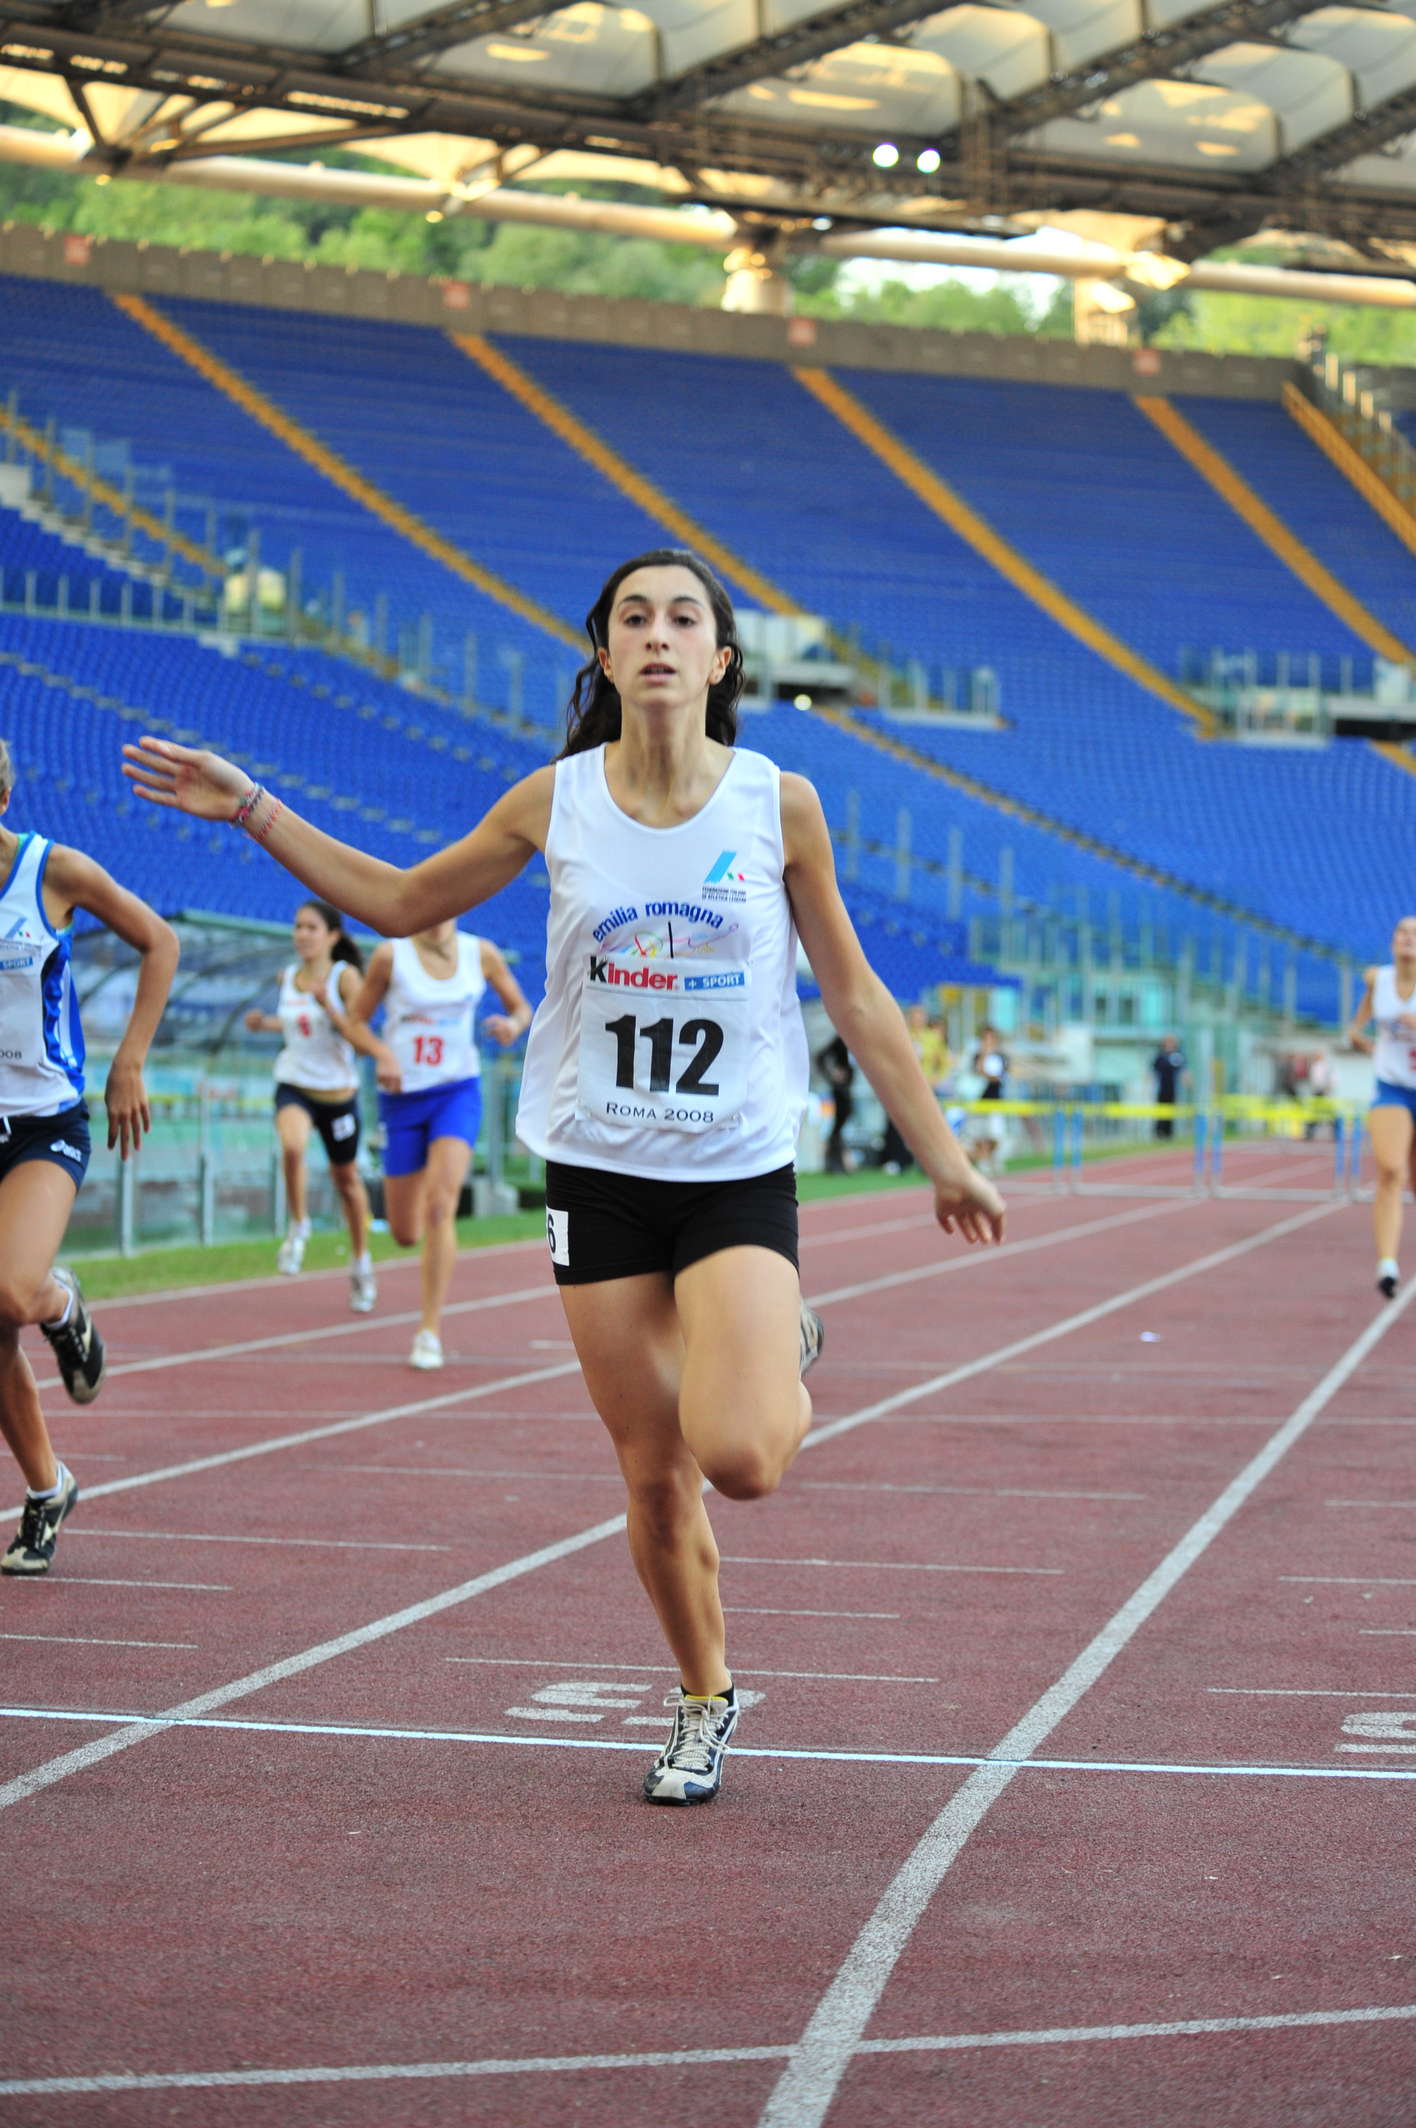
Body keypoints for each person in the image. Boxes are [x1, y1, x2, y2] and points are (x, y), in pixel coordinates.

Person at [122, 546, 1005, 1807]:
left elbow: (856, 995)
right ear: (605, 652)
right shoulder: (557, 801)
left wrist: (945, 1157)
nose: (658, 634)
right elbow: (399, 897)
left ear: (721, 657)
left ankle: (783, 1338)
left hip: (733, 1172)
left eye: (683, 617)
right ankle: (703, 1698)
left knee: (742, 1455)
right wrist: (253, 806)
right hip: (597, 1174)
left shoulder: (780, 804)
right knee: (653, 1474)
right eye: (634, 617)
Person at [0, 738, 178, 1575]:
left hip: (45, 1124)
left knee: (12, 1289)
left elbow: (159, 941)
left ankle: (61, 1301)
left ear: (2, 800)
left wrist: (129, 1059)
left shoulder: (54, 871)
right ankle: (47, 1491)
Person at [342, 922, 532, 1370]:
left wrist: (512, 1024)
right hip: (403, 1098)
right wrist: (383, 1054)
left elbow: (521, 1007)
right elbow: (354, 1022)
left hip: (456, 1091)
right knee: (406, 1232)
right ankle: (423, 1219)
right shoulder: (391, 956)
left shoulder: (480, 953)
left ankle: (429, 1331)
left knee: (441, 1205)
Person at [244, 900, 376, 1312]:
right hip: (295, 1084)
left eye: (311, 927)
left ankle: (360, 1263)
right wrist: (264, 1024)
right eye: (298, 926)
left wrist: (329, 1007)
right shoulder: (288, 977)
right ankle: (299, 1225)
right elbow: (297, 1025)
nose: (301, 934)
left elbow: (362, 1041)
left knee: (347, 1181)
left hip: (337, 1095)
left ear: (332, 936)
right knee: (292, 1146)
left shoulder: (345, 977)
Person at [1347, 916, 1416, 1300]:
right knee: (1391, 1169)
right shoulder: (1379, 980)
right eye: (1402, 933)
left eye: (1415, 934)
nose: (1408, 938)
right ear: (1392, 942)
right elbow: (1356, 1029)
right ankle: (1387, 1264)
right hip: (1391, 1088)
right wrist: (1366, 1045)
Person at [881, 1003, 951, 1171]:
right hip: (904, 1085)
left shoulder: (933, 1038)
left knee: (928, 1124)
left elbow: (944, 1062)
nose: (917, 1019)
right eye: (914, 1016)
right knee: (901, 1122)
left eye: (920, 1016)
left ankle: (930, 1161)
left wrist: (937, 1078)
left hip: (926, 1086)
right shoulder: (902, 1035)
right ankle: (899, 1160)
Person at [969, 1022, 1010, 1176]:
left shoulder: (1001, 1056)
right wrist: (984, 1053)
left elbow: (999, 1076)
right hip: (978, 1101)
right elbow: (978, 1071)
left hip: (995, 1100)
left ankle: (991, 1158)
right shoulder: (977, 1055)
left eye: (991, 1038)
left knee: (995, 1134)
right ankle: (983, 1161)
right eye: (985, 1038)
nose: (988, 1041)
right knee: (979, 1135)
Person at [815, 1030, 855, 1173]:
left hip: (848, 1088)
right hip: (839, 1089)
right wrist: (831, 1075)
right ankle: (833, 1162)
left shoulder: (854, 1040)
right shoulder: (840, 1040)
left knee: (842, 1124)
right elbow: (820, 1057)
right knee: (838, 1126)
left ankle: (838, 1162)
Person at [1151, 1033, 1187, 1139]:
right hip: (1161, 1087)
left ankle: (1169, 1133)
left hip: (1173, 1087)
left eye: (1172, 1042)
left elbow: (1183, 1069)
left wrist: (1186, 1079)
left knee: (1171, 1110)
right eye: (1168, 1042)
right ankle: (1159, 1132)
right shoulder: (1160, 1055)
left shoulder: (1178, 1055)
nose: (1170, 1044)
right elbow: (1153, 1069)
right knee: (1161, 1110)